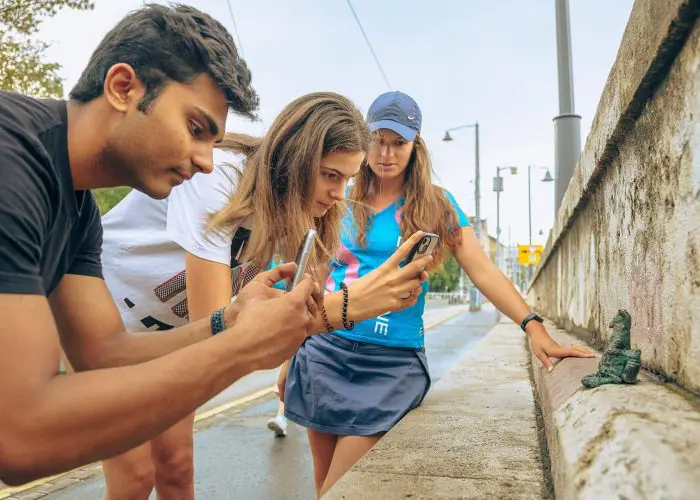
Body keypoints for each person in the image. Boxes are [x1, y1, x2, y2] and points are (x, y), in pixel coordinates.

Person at [0, 3, 325, 487]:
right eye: (196, 129)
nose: (206, 163)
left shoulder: (80, 209)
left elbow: (104, 354)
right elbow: (19, 438)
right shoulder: (12, 160)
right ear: (123, 87)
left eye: (214, 142)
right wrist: (241, 347)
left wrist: (227, 321)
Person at [97, 92, 433, 499]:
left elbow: (277, 326)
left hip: (173, 336)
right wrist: (351, 304)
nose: (339, 193)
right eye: (330, 175)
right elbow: (222, 331)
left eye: (347, 178)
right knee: (135, 476)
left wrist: (304, 333)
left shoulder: (305, 215)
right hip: (109, 319)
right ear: (295, 158)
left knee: (176, 468)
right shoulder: (219, 176)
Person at [280, 91, 595, 498]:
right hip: (325, 352)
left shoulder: (435, 204)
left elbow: (482, 271)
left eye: (399, 143)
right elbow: (315, 277)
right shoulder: (342, 196)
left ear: (415, 147)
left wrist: (533, 326)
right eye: (378, 139)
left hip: (390, 364)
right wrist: (291, 353)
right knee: (324, 486)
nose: (386, 153)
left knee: (340, 489)